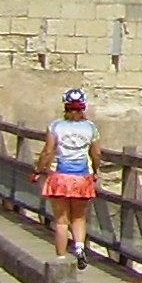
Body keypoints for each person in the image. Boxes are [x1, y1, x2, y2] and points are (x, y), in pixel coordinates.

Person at [30, 87, 100, 267]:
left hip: (60, 176)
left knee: (61, 220)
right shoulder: (91, 128)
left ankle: (60, 258)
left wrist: (38, 170)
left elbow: (47, 151)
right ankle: (79, 247)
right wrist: (96, 171)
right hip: (82, 177)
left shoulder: (56, 126)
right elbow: (96, 153)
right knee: (78, 217)